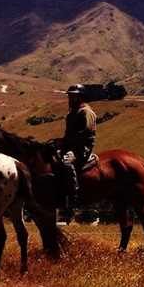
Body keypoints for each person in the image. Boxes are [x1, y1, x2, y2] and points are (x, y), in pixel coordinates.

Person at [58, 84, 97, 213]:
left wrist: (68, 142)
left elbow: (85, 133)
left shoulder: (86, 112)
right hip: (70, 145)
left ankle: (73, 197)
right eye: (70, 95)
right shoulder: (73, 111)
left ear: (81, 97)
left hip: (81, 147)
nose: (71, 98)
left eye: (74, 96)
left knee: (66, 162)